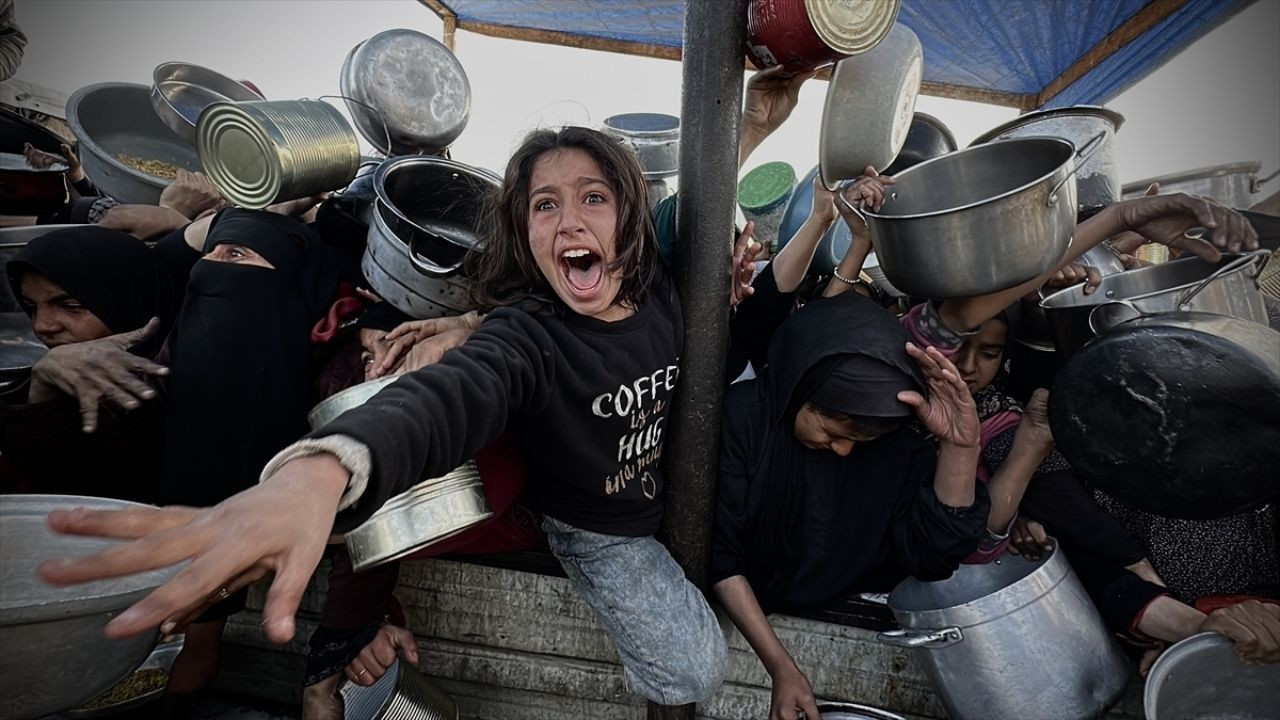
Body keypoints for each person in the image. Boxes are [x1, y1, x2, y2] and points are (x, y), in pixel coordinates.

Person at [41, 126, 752, 709]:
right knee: (694, 672)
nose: (570, 219)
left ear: (629, 215)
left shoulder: (667, 279)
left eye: (593, 198)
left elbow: (717, 167)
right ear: (524, 233)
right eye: (544, 205)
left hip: (667, 484)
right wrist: (319, 475)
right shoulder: (525, 337)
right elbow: (436, 404)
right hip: (598, 530)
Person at [712, 292, 988, 720]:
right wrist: (782, 668)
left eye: (862, 442)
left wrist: (960, 447)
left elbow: (934, 555)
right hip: (746, 599)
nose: (842, 451)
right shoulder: (744, 420)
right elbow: (721, 555)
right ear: (799, 386)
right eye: (831, 430)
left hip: (843, 594)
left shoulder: (900, 446)